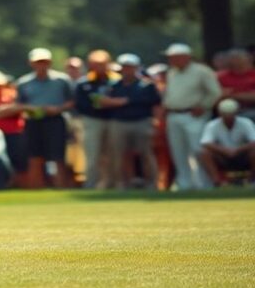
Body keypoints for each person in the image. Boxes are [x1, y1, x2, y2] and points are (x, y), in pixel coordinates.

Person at [162, 43, 221, 190]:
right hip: (174, 114)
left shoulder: (202, 71)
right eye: (170, 58)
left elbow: (214, 92)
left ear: (186, 57)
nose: (172, 60)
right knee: (178, 151)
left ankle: (204, 183)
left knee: (197, 149)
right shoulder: (172, 73)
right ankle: (184, 183)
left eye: (174, 57)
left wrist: (204, 106)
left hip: (194, 115)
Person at [103, 54, 162, 189]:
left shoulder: (147, 85)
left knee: (146, 154)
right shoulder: (113, 86)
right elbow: (103, 102)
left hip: (142, 122)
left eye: (130, 67)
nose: (127, 70)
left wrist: (157, 122)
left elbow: (156, 104)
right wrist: (116, 102)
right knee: (119, 156)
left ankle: (152, 184)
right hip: (118, 122)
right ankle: (122, 184)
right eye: (124, 67)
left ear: (136, 68)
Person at [16, 48, 73, 188]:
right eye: (38, 62)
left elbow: (72, 101)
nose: (42, 65)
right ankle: (36, 189)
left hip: (56, 120)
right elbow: (19, 105)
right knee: (35, 156)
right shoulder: (23, 82)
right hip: (33, 122)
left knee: (58, 156)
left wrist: (58, 109)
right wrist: (31, 109)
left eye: (45, 62)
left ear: (50, 62)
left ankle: (61, 187)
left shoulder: (62, 80)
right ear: (31, 63)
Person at [74, 50, 121, 189]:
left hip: (113, 120)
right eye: (95, 64)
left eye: (102, 64)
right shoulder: (84, 82)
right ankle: (91, 184)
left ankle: (112, 183)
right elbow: (80, 104)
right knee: (92, 155)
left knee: (112, 155)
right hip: (92, 121)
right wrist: (97, 106)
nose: (99, 67)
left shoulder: (116, 81)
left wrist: (109, 104)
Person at [198, 99, 255, 186]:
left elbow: (253, 141)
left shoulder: (246, 123)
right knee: (204, 153)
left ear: (236, 113)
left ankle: (251, 181)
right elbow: (206, 143)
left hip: (242, 156)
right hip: (223, 157)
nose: (228, 117)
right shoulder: (212, 125)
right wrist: (225, 151)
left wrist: (237, 150)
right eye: (225, 114)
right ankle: (217, 182)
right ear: (220, 113)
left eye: (231, 114)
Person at [217, 49, 255, 122]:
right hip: (228, 110)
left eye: (240, 62)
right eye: (233, 63)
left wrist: (232, 95)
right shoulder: (220, 76)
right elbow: (217, 94)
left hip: (251, 108)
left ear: (248, 61)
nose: (237, 64)